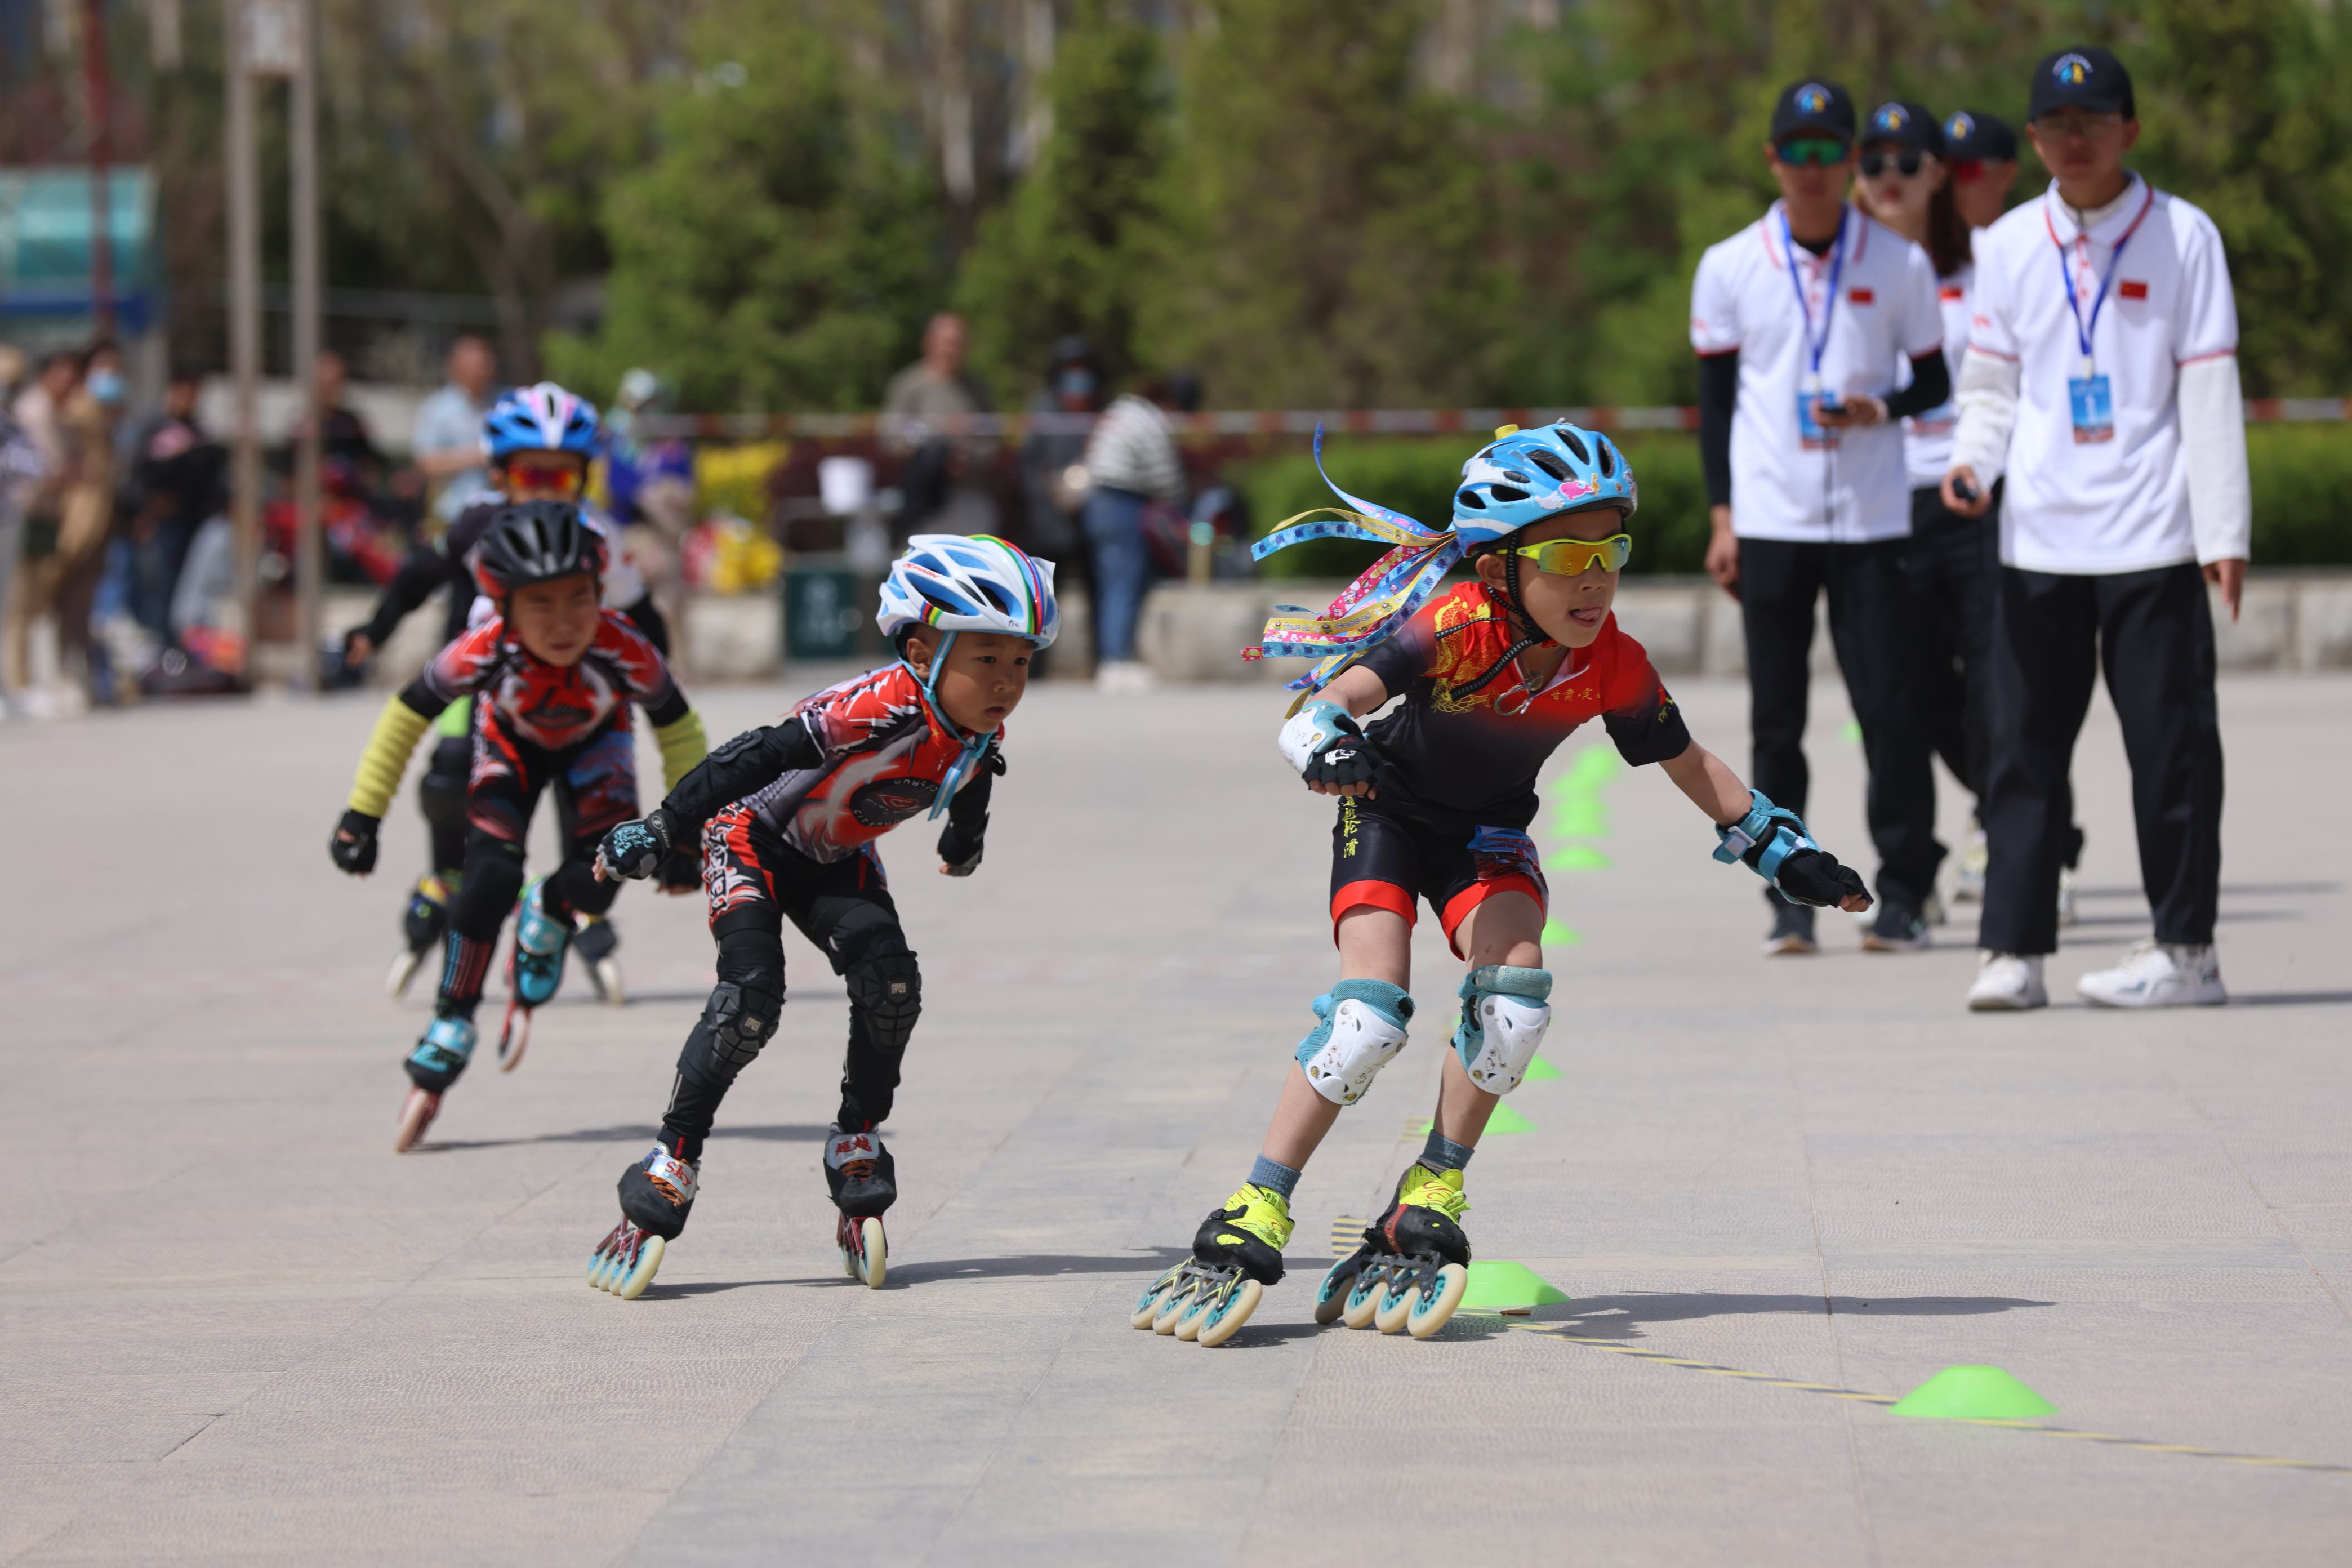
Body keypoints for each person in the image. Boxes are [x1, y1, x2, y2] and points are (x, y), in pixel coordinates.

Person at [1133, 424, 1872, 1347]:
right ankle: (1255, 1203)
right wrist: (1321, 739)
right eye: (1568, 555)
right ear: (1495, 566)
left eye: (1612, 552)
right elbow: (1332, 696)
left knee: (1514, 1002)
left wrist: (1776, 846)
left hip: (1487, 836)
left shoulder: (1614, 663)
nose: (1594, 578)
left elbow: (1688, 762)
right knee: (1366, 1019)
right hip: (1386, 816)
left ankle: (1429, 1188)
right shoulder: (1453, 623)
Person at [582, 534, 1060, 1299]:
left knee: (892, 985)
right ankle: (671, 1160)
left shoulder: (977, 726)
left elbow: (976, 769)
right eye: (988, 659)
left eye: (1021, 662)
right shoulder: (877, 707)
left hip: (834, 857)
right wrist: (664, 827)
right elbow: (755, 755)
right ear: (921, 646)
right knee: (749, 1003)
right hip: (750, 838)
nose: (1006, 683)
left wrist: (964, 838)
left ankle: (857, 1138)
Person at [1943, 47, 2247, 1011]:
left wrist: (2222, 530)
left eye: (2093, 121)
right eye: (2055, 126)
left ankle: (2187, 950)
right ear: (2033, 139)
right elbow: (1991, 386)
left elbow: (2208, 388)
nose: (2075, 141)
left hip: (2154, 534)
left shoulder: (2184, 235)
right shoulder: (2010, 246)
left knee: (2172, 749)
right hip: (2040, 537)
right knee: (2023, 751)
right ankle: (2013, 951)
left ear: (2130, 130)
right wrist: (1970, 463)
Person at [327, 500, 710, 1152]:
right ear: (503, 606)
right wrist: (363, 814)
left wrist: (685, 833)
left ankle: (555, 906)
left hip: (598, 746)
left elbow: (682, 733)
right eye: (541, 605)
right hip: (510, 743)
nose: (564, 623)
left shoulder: (624, 647)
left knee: (609, 872)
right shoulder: (481, 649)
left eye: (579, 601)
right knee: (489, 879)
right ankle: (452, 1020)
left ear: (601, 594)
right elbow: (404, 718)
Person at [1692, 81, 1953, 956]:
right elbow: (1719, 406)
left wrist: (1880, 409)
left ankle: (1907, 890)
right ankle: (1789, 894)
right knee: (1778, 719)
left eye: (1828, 151)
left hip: (1874, 521)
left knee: (1892, 711)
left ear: (1850, 160)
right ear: (1773, 160)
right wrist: (1723, 516)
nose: (1813, 169)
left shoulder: (1897, 261)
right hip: (1772, 517)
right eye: (1795, 152)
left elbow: (1935, 381)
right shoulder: (1731, 265)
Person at [344, 382, 673, 1001]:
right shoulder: (477, 522)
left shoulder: (595, 532)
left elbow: (641, 609)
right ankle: (445, 875)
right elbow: (418, 576)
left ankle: (585, 905)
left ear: (583, 476)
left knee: (591, 804)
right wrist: (375, 630)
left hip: (577, 690)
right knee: (448, 777)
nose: (546, 488)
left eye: (562, 475)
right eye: (530, 473)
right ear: (500, 473)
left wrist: (660, 672)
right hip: (483, 679)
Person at [1850, 102, 2000, 908]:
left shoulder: (1990, 264)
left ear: (1939, 173)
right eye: (1873, 165)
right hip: (1882, 506)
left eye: (1908, 163)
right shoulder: (1845, 269)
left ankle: (2024, 838)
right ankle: (1921, 860)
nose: (1889, 180)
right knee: (1904, 696)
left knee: (1996, 686)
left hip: (1974, 498)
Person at [1080, 373, 1185, 694]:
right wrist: (1181, 504)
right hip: (1123, 503)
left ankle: (1112, 657)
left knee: (1109, 584)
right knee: (1124, 584)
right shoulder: (1151, 420)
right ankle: (1116, 662)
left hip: (1098, 501)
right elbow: (1165, 476)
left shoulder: (1122, 409)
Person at [119, 373, 224, 644]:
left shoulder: (201, 433)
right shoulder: (152, 430)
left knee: (189, 586)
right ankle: (163, 643)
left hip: (193, 520)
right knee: (158, 584)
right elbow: (136, 475)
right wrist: (144, 510)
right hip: (160, 522)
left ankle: (184, 643)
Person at [881, 312, 993, 534]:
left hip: (968, 494)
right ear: (928, 343)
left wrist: (969, 459)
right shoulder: (909, 385)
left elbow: (992, 439)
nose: (953, 350)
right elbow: (889, 437)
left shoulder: (977, 388)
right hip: (924, 499)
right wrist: (927, 449)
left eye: (959, 343)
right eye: (948, 343)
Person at [411, 336, 497, 528]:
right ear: (455, 366)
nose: (483, 369)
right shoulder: (437, 409)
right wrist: (478, 455)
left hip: (497, 514)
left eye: (486, 362)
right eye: (476, 363)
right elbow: (425, 462)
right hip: (452, 516)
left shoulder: (503, 405)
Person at [1944, 110, 2023, 234]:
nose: (1953, 181)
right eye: (1945, 169)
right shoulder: (1915, 251)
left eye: (1965, 169)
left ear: (2007, 175)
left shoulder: (2032, 248)